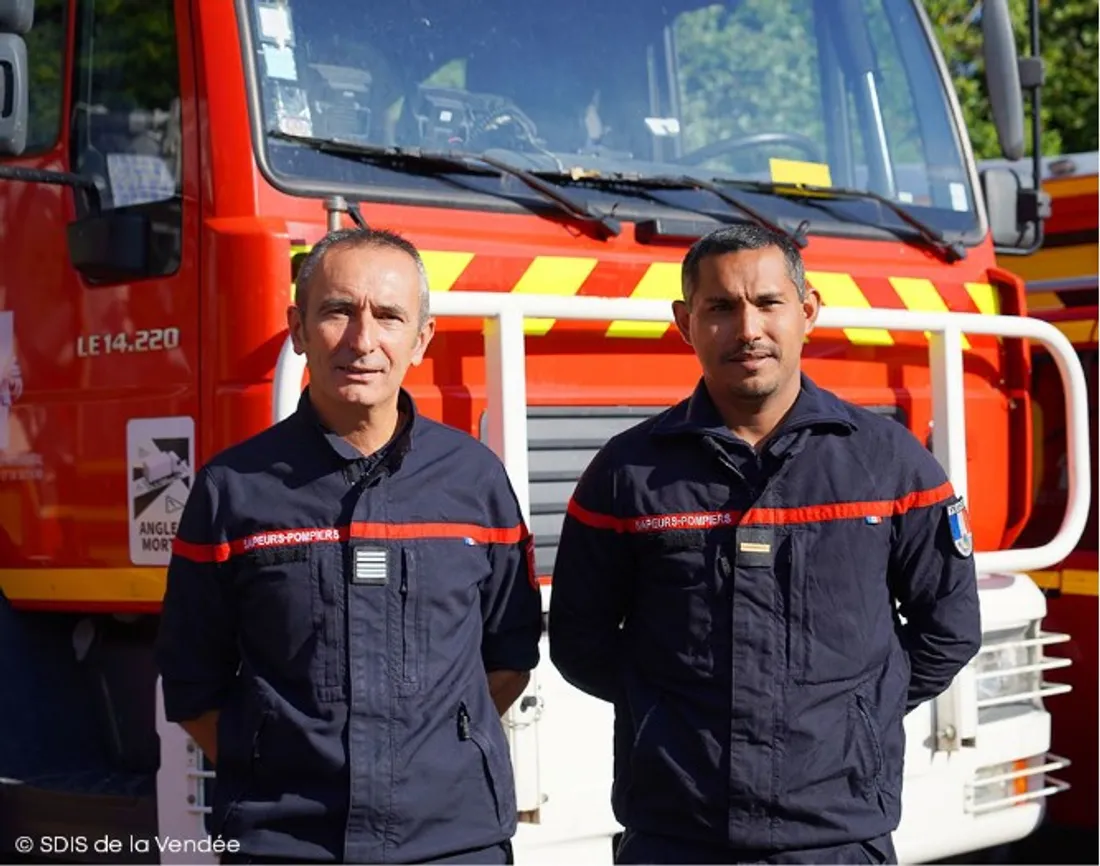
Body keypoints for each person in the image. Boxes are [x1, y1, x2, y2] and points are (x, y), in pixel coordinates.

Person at [548, 224, 982, 865]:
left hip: (836, 836)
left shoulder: (890, 465)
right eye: (720, 307)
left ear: (807, 312)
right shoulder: (627, 473)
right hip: (676, 834)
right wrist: (669, 712)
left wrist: (854, 714)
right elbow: (580, 642)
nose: (747, 329)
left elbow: (949, 627)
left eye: (768, 303)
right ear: (683, 323)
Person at [155, 227, 542, 865]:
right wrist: (276, 762)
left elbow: (509, 656)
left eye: (389, 316)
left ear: (421, 339)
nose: (363, 341)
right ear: (299, 329)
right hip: (284, 844)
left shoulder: (476, 479)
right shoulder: (231, 490)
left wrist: (435, 753)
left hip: (453, 841)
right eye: (338, 311)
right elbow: (193, 686)